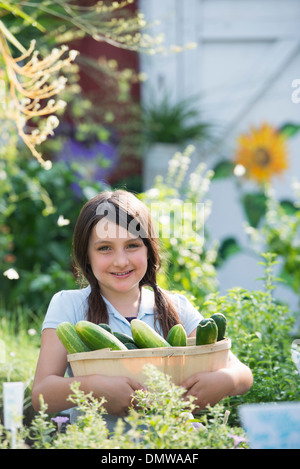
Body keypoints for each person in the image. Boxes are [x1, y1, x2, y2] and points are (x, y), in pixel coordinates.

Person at [32, 189, 253, 430]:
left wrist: (225, 380)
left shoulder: (176, 307)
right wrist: (93, 388)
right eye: (105, 248)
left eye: (132, 245)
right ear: (86, 255)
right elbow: (41, 394)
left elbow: (242, 375)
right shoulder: (69, 305)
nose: (121, 261)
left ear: (149, 249)